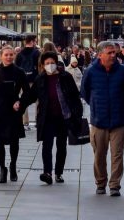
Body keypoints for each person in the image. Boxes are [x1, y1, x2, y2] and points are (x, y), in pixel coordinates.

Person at [81, 40, 124, 197]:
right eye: (109, 53)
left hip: (118, 120)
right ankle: (101, 183)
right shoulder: (91, 71)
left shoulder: (123, 71)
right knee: (99, 154)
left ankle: (115, 185)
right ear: (100, 54)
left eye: (114, 52)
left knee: (117, 154)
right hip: (99, 121)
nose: (113, 55)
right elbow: (85, 91)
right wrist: (96, 104)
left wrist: (120, 104)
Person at [34, 51, 82, 185]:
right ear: (43, 65)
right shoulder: (40, 79)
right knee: (46, 145)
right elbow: (31, 95)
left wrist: (77, 114)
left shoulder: (65, 77)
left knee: (61, 145)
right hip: (47, 117)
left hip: (63, 116)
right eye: (47, 63)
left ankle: (59, 172)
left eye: (52, 63)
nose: (50, 65)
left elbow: (74, 96)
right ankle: (47, 172)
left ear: (57, 63)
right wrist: (20, 103)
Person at [0, 46, 32, 183]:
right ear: (1, 56)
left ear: (14, 56)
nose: (9, 57)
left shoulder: (19, 72)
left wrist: (20, 103)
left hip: (14, 112)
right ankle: (2, 169)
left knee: (14, 142)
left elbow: (27, 92)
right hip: (0, 113)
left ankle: (13, 165)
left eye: (11, 54)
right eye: (6, 55)